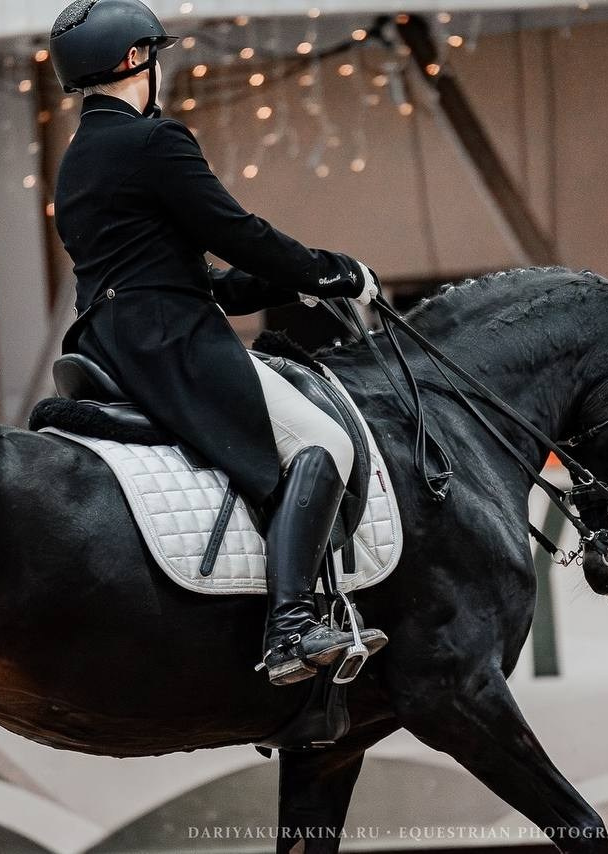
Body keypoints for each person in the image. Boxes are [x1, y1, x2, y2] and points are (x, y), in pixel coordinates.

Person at [49, 0, 386, 686]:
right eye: (155, 56)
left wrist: (292, 285)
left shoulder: (78, 159)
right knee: (327, 443)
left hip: (112, 340)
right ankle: (291, 626)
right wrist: (334, 272)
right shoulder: (154, 141)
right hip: (170, 342)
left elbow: (199, 282)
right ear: (136, 59)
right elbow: (239, 232)